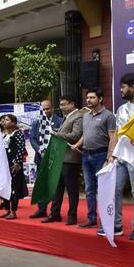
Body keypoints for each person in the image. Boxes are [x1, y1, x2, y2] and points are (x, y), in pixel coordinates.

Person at [107, 75, 134, 240]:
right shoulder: (121, 109)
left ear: (133, 87)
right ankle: (116, 225)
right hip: (121, 157)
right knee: (115, 191)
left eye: (123, 87)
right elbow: (116, 133)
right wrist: (111, 154)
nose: (121, 90)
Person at [72, 88, 115, 229]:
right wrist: (77, 144)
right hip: (86, 155)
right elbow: (86, 134)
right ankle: (91, 218)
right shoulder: (86, 116)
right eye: (88, 98)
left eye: (92, 97)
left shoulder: (109, 116)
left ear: (100, 99)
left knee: (103, 190)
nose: (89, 100)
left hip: (101, 155)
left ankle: (105, 221)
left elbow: (113, 137)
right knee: (89, 189)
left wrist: (110, 156)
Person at [41, 95, 84, 225]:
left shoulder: (79, 116)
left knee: (71, 189)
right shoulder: (67, 117)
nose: (62, 107)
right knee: (57, 188)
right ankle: (55, 214)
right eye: (60, 104)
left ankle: (72, 216)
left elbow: (76, 135)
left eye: (64, 104)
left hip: (71, 159)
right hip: (60, 157)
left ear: (72, 104)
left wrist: (56, 134)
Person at [28, 99, 63, 218]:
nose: (46, 111)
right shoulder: (36, 122)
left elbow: (61, 139)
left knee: (55, 185)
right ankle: (41, 210)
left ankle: (55, 212)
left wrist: (50, 152)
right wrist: (40, 150)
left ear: (52, 108)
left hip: (54, 159)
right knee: (41, 184)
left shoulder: (60, 121)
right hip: (40, 158)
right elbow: (32, 138)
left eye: (48, 108)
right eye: (43, 109)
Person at [0, 114, 27, 220]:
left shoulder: (18, 133)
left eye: (7, 120)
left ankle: (13, 211)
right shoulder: (3, 135)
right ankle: (7, 209)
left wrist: (17, 163)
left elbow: (21, 149)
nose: (4, 122)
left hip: (14, 164)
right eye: (3, 120)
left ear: (13, 123)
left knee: (13, 187)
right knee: (5, 186)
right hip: (4, 165)